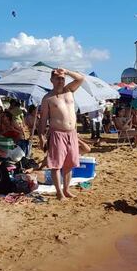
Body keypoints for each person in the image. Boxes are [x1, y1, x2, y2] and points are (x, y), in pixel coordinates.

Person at [38, 68, 85, 200]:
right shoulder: (48, 98)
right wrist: (41, 136)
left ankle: (66, 189)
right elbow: (43, 119)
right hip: (57, 133)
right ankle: (59, 192)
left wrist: (67, 71)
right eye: (58, 78)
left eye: (63, 78)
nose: (60, 81)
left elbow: (80, 79)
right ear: (51, 80)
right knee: (56, 164)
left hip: (72, 133)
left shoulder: (69, 90)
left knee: (70, 163)